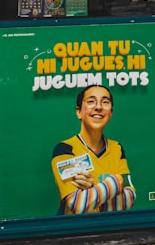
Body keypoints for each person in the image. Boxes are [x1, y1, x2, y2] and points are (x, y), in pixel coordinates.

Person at [51, 85, 136, 214]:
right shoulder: (65, 149)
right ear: (79, 112)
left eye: (105, 102)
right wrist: (117, 181)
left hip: (109, 229)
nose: (98, 107)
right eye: (91, 101)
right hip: (73, 231)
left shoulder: (117, 148)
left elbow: (129, 199)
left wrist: (91, 189)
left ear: (111, 112)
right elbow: (78, 205)